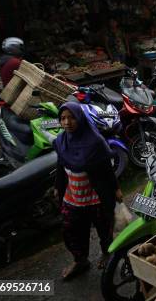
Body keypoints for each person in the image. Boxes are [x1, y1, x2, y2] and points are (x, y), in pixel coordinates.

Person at [53, 102, 122, 280]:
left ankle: (107, 253)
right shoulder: (61, 141)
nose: (67, 122)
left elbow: (107, 169)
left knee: (104, 228)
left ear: (80, 118)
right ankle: (80, 260)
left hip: (95, 197)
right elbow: (61, 165)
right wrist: (57, 187)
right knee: (71, 230)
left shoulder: (95, 142)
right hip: (72, 196)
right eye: (63, 118)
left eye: (71, 117)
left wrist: (116, 188)